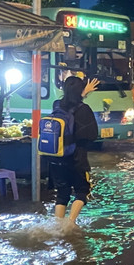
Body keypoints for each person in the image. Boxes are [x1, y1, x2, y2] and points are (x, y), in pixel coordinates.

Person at [49, 76, 99, 223]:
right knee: (83, 190)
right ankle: (70, 223)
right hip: (76, 157)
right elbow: (92, 135)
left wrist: (83, 94)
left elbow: (70, 107)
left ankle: (58, 226)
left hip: (57, 157)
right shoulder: (85, 110)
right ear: (80, 90)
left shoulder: (56, 105)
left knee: (62, 193)